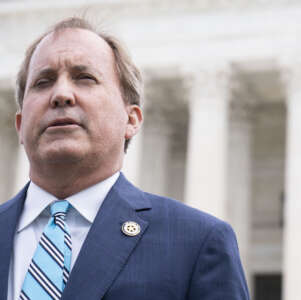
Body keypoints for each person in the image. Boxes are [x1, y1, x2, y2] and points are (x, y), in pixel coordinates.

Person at [0, 17, 249, 299]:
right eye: (43, 82)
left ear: (131, 119)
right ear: (19, 125)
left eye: (85, 78)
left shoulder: (197, 244)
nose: (61, 94)